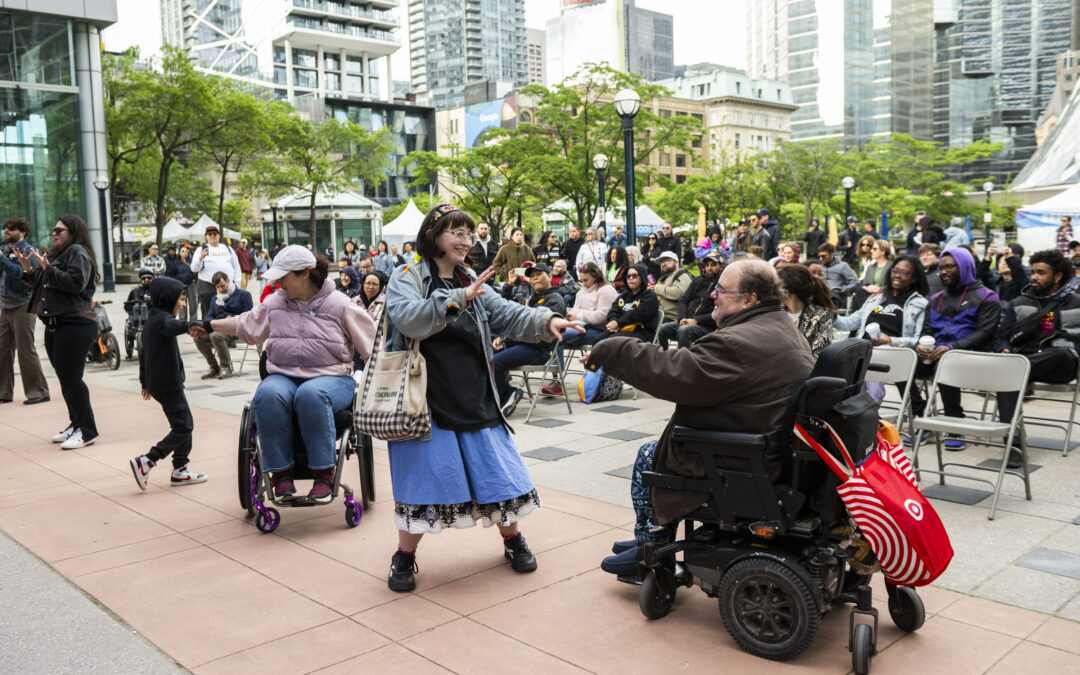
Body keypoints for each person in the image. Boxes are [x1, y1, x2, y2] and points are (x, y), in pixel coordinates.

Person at [382, 204, 582, 592]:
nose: (465, 239)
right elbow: (407, 318)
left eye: (468, 233)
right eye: (456, 231)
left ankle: (512, 539)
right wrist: (459, 296)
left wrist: (546, 321)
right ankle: (404, 556)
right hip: (426, 398)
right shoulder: (407, 275)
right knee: (425, 481)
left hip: (475, 390)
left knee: (498, 474)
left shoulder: (470, 276)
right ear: (433, 235)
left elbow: (506, 314)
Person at [592, 259, 816, 575]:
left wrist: (610, 349)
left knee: (648, 456)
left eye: (721, 290)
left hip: (745, 460)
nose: (713, 295)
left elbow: (673, 373)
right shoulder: (779, 326)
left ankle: (652, 547)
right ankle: (655, 537)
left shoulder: (738, 342)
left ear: (750, 299)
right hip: (769, 448)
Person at [205, 245, 375, 507]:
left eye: (284, 277)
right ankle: (281, 473)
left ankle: (323, 473)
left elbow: (373, 346)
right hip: (283, 376)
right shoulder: (275, 302)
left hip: (332, 378)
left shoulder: (341, 304)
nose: (278, 282)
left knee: (311, 394)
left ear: (305, 273)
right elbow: (245, 325)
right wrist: (209, 325)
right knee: (267, 393)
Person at [14, 215, 100, 449]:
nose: (54, 233)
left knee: (72, 378)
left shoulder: (77, 253)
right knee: (65, 378)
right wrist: (28, 271)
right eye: (53, 229)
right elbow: (43, 287)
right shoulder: (55, 254)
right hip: (56, 322)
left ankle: (87, 430)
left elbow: (76, 284)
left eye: (59, 230)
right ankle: (76, 423)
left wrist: (48, 269)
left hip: (76, 323)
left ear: (72, 232)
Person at [993, 249, 1080, 467]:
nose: (1034, 277)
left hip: (1062, 362)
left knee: (1057, 354)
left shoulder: (1076, 302)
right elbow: (1001, 337)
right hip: (1026, 361)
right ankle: (1014, 445)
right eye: (1032, 271)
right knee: (1009, 376)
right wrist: (1004, 348)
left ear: (1058, 275)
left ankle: (1010, 369)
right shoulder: (1020, 301)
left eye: (1040, 272)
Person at [914, 247, 1002, 450]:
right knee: (905, 362)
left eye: (949, 267)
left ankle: (955, 422)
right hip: (937, 354)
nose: (943, 271)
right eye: (941, 268)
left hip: (971, 356)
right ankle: (921, 415)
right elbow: (926, 330)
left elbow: (984, 334)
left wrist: (952, 347)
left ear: (964, 266)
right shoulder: (935, 299)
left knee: (946, 363)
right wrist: (922, 345)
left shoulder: (987, 296)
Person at [128, 277, 209, 490]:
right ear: (167, 298)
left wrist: (144, 382)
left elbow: (144, 355)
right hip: (167, 383)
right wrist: (191, 324)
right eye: (181, 299)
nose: (183, 304)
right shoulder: (163, 320)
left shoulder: (151, 321)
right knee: (184, 426)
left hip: (159, 383)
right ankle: (147, 461)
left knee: (183, 424)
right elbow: (173, 326)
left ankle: (180, 470)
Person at [493, 263, 567, 414]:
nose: (535, 278)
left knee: (495, 363)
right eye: (532, 276)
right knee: (486, 354)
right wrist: (503, 339)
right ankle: (499, 394)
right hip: (523, 344)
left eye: (539, 275)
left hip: (539, 350)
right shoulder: (533, 298)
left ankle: (507, 394)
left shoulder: (555, 298)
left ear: (549, 276)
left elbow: (544, 332)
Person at [0, 217, 49, 405]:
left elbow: (20, 274)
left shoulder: (27, 250)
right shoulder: (5, 249)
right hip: (5, 306)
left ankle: (38, 391)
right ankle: (4, 392)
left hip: (23, 305)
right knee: (2, 351)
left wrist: (1, 259)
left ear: (22, 232)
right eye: (5, 228)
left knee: (25, 349)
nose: (6, 230)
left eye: (11, 228)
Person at [833, 255, 929, 350]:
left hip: (896, 353)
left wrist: (891, 341)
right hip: (864, 351)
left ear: (914, 278)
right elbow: (850, 323)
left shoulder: (920, 304)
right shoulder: (877, 297)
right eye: (894, 271)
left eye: (904, 273)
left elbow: (917, 341)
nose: (897, 276)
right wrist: (833, 316)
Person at [194, 272, 252, 379]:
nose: (220, 290)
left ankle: (226, 367)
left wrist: (233, 319)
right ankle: (214, 367)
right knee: (198, 335)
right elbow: (209, 317)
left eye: (222, 286)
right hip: (219, 328)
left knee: (215, 335)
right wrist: (219, 321)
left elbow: (249, 316)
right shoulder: (215, 298)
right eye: (217, 287)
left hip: (236, 329)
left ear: (228, 281)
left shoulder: (244, 295)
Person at [659, 251, 721, 349]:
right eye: (707, 265)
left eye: (713, 265)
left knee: (684, 330)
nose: (709, 268)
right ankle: (664, 357)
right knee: (662, 329)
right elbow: (683, 300)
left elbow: (719, 312)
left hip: (707, 327)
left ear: (721, 267)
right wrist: (682, 318)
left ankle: (684, 361)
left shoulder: (722, 285)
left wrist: (696, 320)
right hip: (687, 321)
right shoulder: (698, 280)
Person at [778, 264, 835, 356]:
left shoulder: (821, 315)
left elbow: (819, 356)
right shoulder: (776, 313)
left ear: (787, 291)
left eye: (777, 287)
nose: (774, 291)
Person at [561, 262, 618, 348]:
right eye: (581, 281)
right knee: (556, 335)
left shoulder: (606, 290)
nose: (583, 284)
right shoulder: (581, 292)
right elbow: (574, 312)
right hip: (580, 325)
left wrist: (579, 316)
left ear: (595, 277)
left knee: (560, 338)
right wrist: (571, 316)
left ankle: (553, 361)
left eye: (586, 280)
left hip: (600, 331)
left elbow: (602, 316)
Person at [191, 224, 241, 319]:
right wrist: (200, 258)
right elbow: (194, 269)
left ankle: (227, 332)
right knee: (209, 313)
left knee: (228, 312)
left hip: (228, 286)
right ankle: (209, 333)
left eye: (214, 233)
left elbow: (236, 266)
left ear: (219, 235)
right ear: (206, 237)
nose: (212, 235)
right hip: (207, 286)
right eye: (210, 234)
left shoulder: (227, 248)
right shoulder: (200, 249)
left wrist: (237, 283)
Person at [602, 263, 660, 342]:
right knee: (597, 339)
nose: (631, 278)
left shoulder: (649, 296)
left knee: (611, 341)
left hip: (642, 333)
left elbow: (637, 315)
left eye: (634, 276)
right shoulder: (624, 295)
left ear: (642, 278)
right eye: (628, 276)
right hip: (622, 329)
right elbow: (613, 311)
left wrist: (618, 324)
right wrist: (613, 320)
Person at [651, 251, 692, 323]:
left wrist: (657, 288)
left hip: (672, 318)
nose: (664, 263)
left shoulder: (682, 275)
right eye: (662, 262)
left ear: (677, 263)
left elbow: (678, 293)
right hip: (659, 315)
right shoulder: (666, 277)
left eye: (667, 260)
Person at [818, 243, 861, 308]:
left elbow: (855, 282)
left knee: (833, 293)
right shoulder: (818, 267)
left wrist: (842, 289)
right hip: (821, 295)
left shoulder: (842, 266)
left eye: (823, 256)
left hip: (837, 297)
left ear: (832, 255)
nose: (820, 259)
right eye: (819, 256)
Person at [123, 269, 154, 359]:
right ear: (141, 279)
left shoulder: (155, 290)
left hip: (149, 313)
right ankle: (133, 334)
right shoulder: (134, 291)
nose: (147, 279)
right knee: (132, 318)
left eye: (149, 278)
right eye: (144, 278)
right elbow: (127, 305)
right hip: (136, 314)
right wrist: (130, 308)